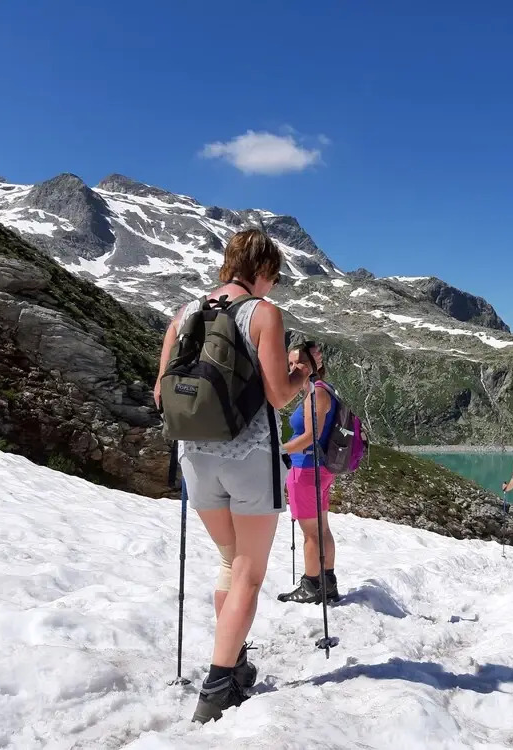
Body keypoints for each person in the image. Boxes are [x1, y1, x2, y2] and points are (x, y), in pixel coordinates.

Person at [153, 227, 312, 724]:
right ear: (261, 269)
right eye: (274, 276)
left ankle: (236, 661)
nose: (274, 285)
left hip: (194, 458)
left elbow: (161, 394)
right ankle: (218, 687)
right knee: (248, 572)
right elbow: (277, 394)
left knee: (229, 561)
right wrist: (303, 374)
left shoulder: (184, 314)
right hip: (249, 455)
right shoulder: (262, 313)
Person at [277, 338, 341, 604]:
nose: (294, 368)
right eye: (290, 363)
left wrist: (279, 450)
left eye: (300, 362)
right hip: (320, 469)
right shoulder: (322, 389)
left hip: (305, 470)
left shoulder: (316, 393)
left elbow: (310, 436)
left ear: (314, 363)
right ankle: (328, 583)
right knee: (322, 528)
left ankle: (311, 585)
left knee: (311, 533)